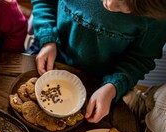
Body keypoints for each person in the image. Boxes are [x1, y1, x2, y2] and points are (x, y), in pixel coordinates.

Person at [30, 0, 166, 123]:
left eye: (132, 7)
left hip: (100, 85)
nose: (111, 5)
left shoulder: (158, 16)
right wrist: (47, 38)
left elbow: (140, 58)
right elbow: (44, 2)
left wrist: (113, 87)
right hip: (47, 50)